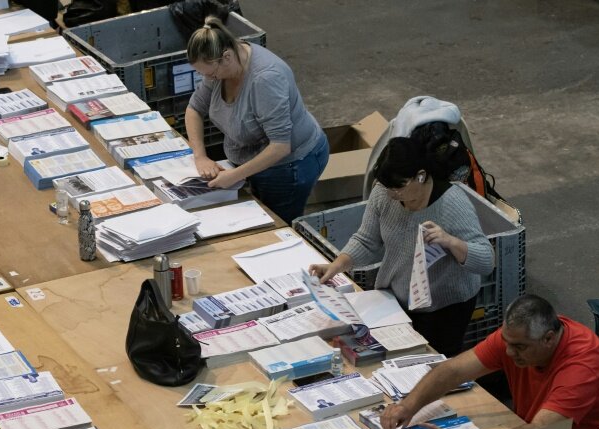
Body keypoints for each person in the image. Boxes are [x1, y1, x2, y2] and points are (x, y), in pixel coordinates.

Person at [380, 294, 599, 429]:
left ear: (548, 338)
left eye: (519, 347)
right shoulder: (520, 337)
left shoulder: (582, 367)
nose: (508, 352)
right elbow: (453, 370)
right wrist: (407, 406)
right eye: (506, 342)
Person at [309, 137, 494, 356]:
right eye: (388, 188)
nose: (393, 194)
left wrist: (451, 241)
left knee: (433, 361)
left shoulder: (452, 204)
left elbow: (486, 260)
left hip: (445, 308)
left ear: (421, 175)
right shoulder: (385, 193)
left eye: (399, 188)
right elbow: (366, 239)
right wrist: (336, 266)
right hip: (396, 298)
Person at [185, 16, 329, 225]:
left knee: (276, 224)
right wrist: (200, 157)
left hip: (288, 165)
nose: (209, 79)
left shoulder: (265, 80)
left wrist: (234, 176)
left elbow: (280, 146)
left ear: (227, 57)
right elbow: (194, 108)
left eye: (212, 74)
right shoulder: (219, 65)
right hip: (249, 155)